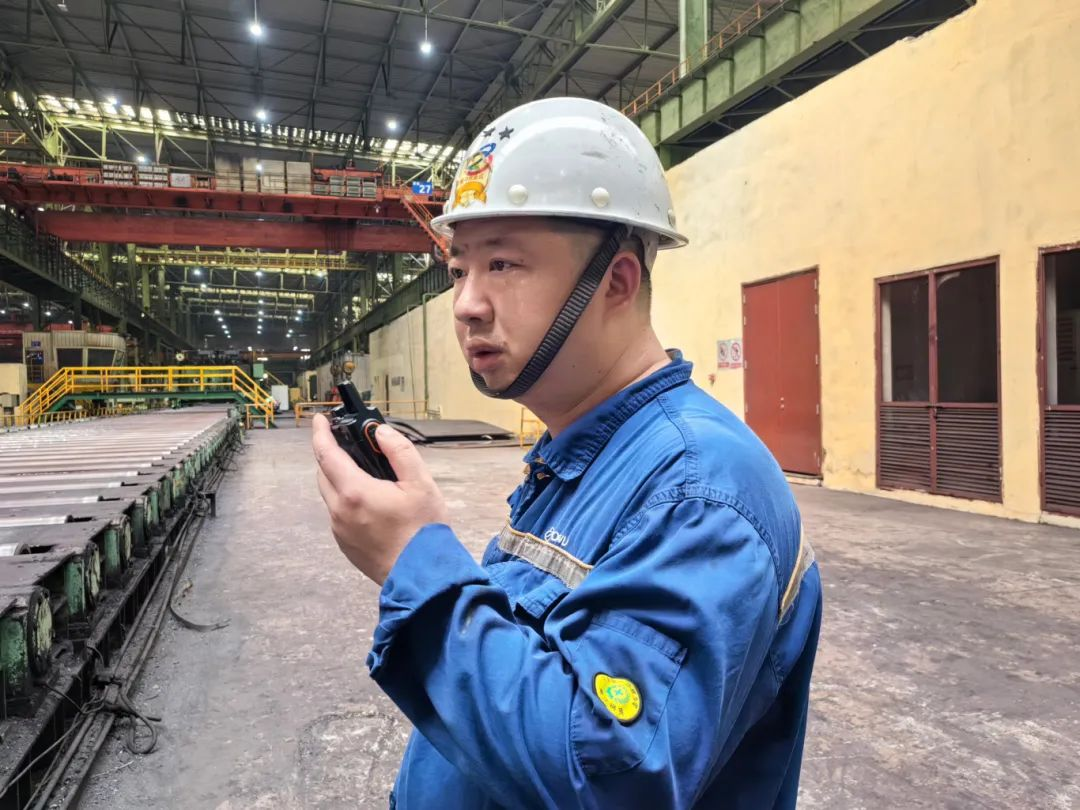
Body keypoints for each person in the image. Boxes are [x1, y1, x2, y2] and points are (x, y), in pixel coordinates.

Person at [311, 97, 822, 809]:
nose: (466, 304)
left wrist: (413, 564)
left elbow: (607, 773)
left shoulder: (699, 489)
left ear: (617, 281)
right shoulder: (580, 456)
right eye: (459, 270)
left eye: (503, 264)